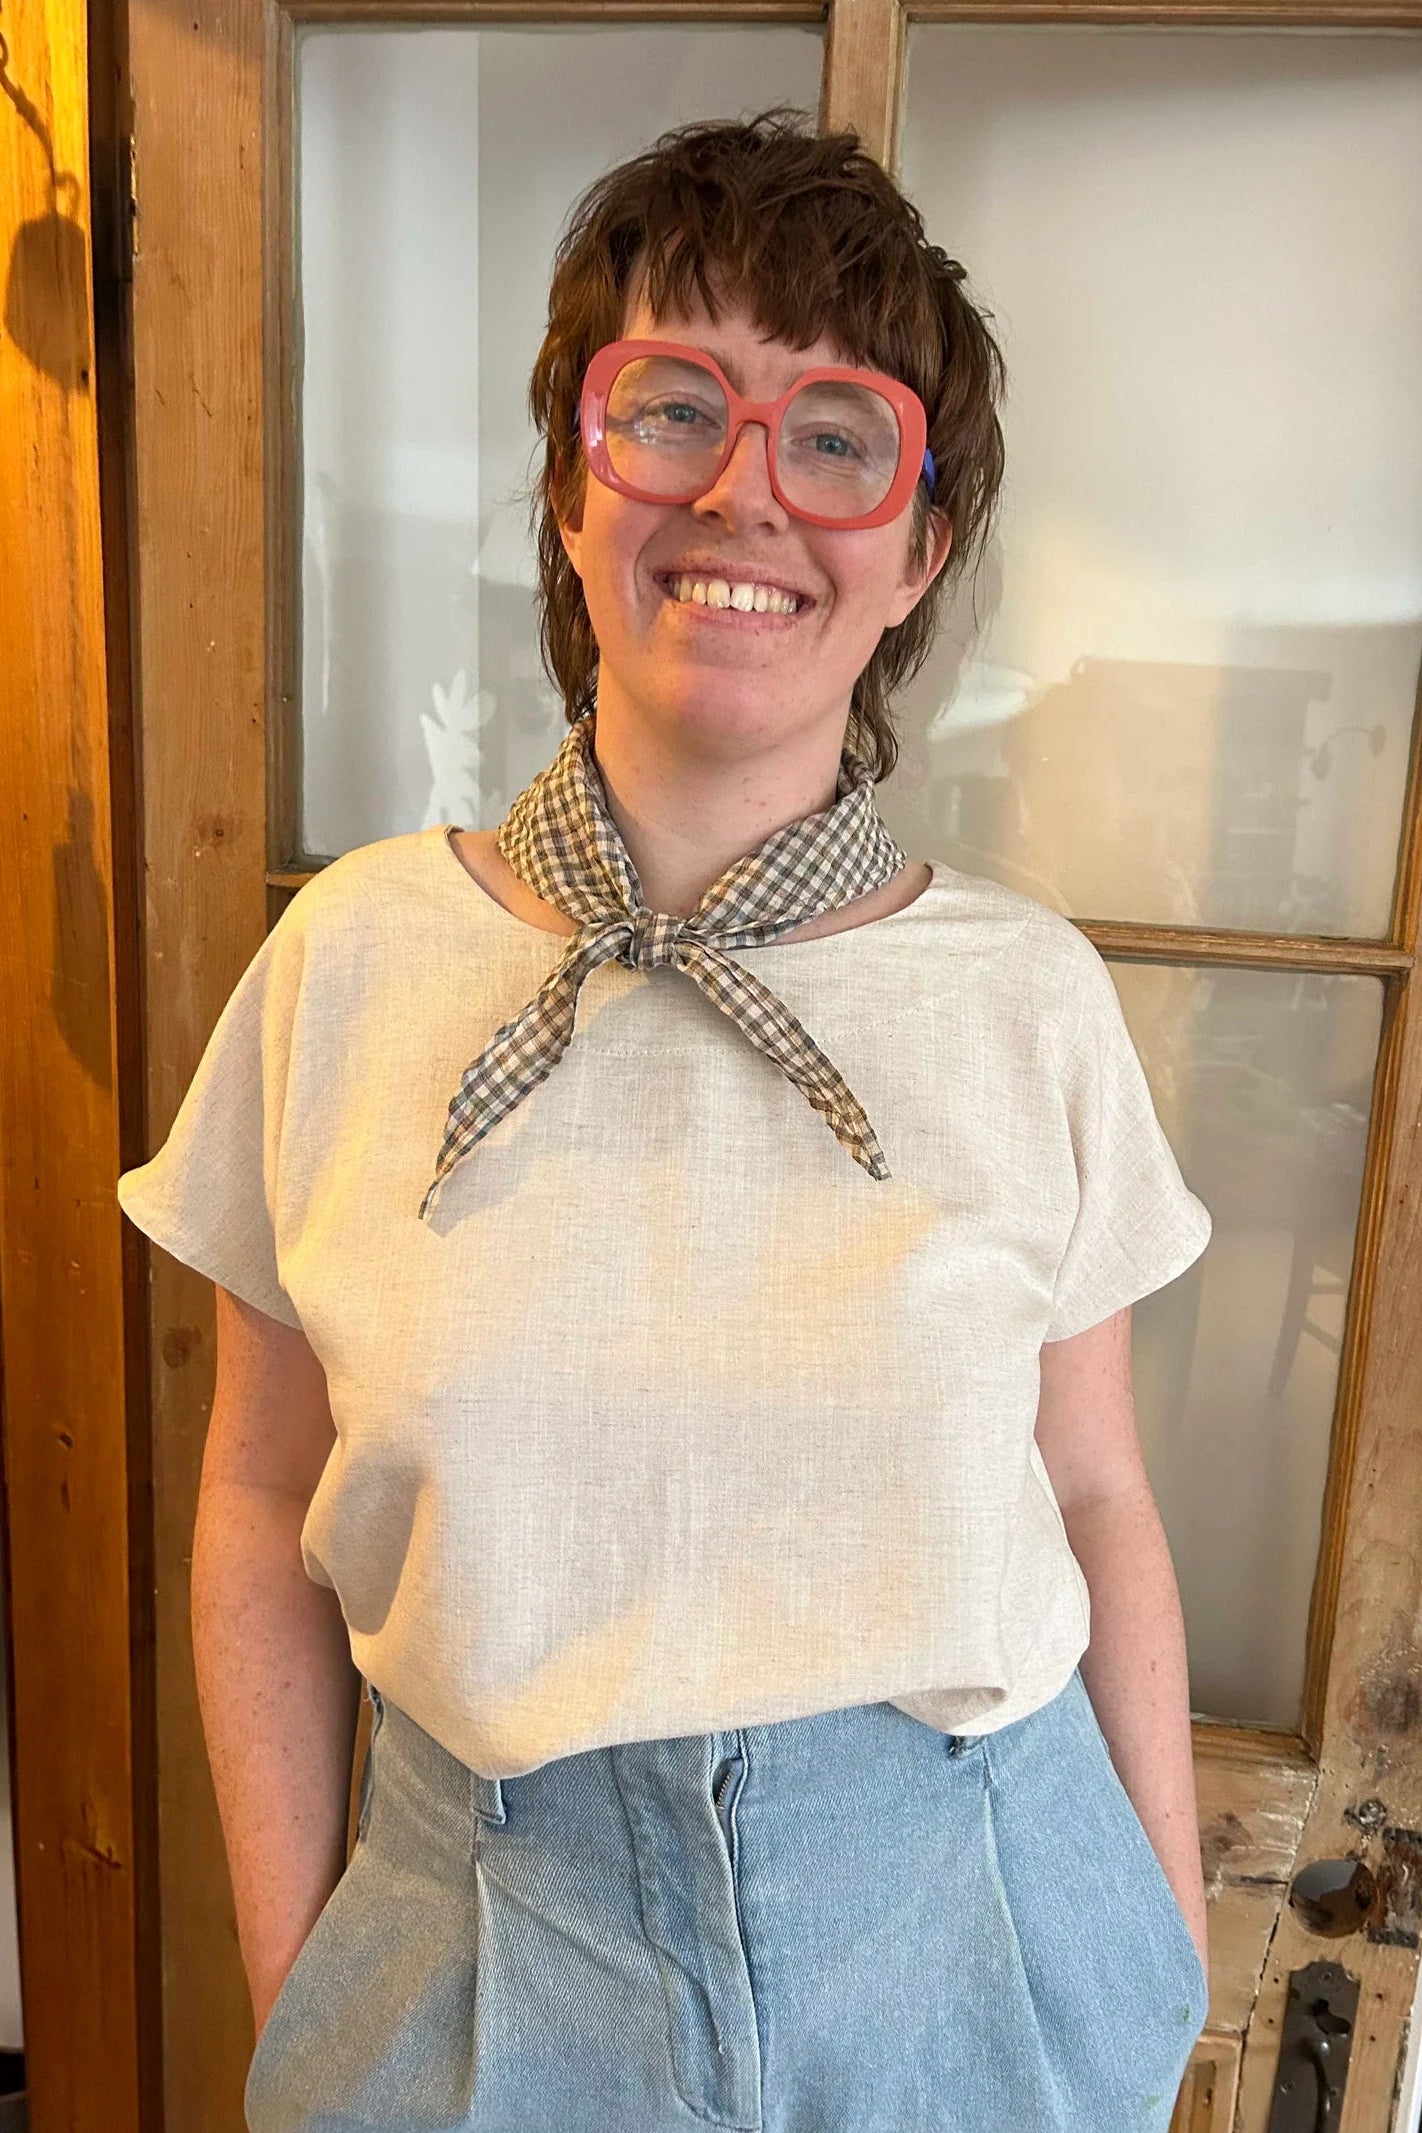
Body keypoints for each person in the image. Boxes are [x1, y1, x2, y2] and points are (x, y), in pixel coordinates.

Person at [118, 104, 1214, 2133]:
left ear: (919, 547)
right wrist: (305, 1987)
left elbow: (1096, 1495)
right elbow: (260, 1511)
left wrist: (1159, 1936)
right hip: (487, 1952)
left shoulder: (1026, 998)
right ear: (567, 484)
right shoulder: (349, 967)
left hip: (971, 1940)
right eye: (674, 403)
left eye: (835, 435)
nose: (744, 489)